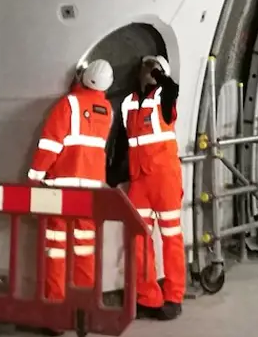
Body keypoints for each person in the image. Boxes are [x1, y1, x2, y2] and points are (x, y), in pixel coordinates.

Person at [28, 58, 114, 300]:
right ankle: (82, 306)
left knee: (55, 247)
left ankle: (55, 306)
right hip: (91, 191)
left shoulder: (68, 105)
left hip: (61, 188)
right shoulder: (107, 112)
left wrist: (34, 179)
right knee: (85, 246)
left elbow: (49, 146)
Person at [121, 55, 185, 321]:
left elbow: (172, 89)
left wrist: (158, 74)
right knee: (138, 238)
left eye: (151, 69)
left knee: (171, 238)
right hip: (139, 180)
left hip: (164, 179)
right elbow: (122, 141)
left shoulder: (165, 96)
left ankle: (174, 296)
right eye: (143, 68)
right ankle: (148, 296)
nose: (144, 72)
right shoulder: (129, 103)